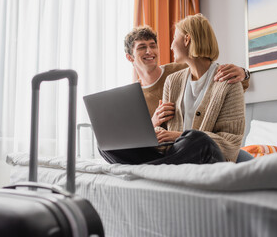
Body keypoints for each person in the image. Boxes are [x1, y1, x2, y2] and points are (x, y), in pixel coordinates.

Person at [99, 14, 244, 164]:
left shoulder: (227, 81)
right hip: (173, 155)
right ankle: (159, 170)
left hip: (205, 153)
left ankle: (148, 171)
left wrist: (179, 136)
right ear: (130, 57)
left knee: (199, 139)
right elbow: (164, 132)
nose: (171, 45)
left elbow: (230, 143)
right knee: (109, 142)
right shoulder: (173, 81)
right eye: (142, 47)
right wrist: (156, 130)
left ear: (187, 40)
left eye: (175, 38)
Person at [124, 26, 250, 127]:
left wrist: (244, 73)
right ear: (130, 57)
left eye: (152, 45)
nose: (149, 51)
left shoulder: (182, 69)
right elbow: (138, 137)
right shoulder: (134, 96)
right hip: (162, 149)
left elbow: (227, 84)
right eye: (142, 47)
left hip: (192, 141)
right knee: (106, 148)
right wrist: (154, 122)